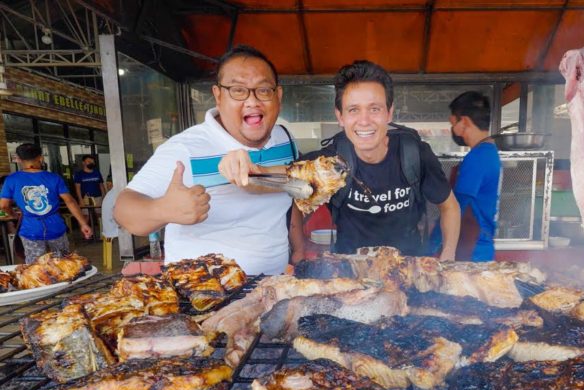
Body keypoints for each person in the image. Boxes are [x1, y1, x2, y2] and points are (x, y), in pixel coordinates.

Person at [221, 60, 461, 259]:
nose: (364, 121)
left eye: (375, 109)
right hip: (350, 273)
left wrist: (448, 254)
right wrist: (238, 166)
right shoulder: (329, 163)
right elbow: (266, 179)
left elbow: (449, 206)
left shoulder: (414, 153)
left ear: (389, 113)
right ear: (341, 116)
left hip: (408, 271)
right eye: (353, 110)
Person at [114, 45, 305, 275]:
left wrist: (299, 248)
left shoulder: (284, 138)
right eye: (238, 90)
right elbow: (123, 210)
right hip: (202, 297)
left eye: (263, 90)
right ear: (218, 96)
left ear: (278, 96)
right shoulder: (185, 149)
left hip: (272, 290)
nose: (252, 101)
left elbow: (292, 193)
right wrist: (163, 209)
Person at [429, 91, 500, 261]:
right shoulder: (489, 152)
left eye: (453, 123)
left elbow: (456, 206)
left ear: (465, 122)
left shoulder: (478, 157)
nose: (452, 129)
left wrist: (432, 243)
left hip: (471, 249)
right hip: (479, 246)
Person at [0, 143, 92, 263]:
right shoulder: (54, 178)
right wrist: (83, 223)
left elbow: (3, 205)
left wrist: (13, 215)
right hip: (56, 227)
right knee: (63, 265)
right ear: (40, 157)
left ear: (18, 159)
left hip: (30, 229)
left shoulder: (12, 179)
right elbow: (70, 201)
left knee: (35, 267)